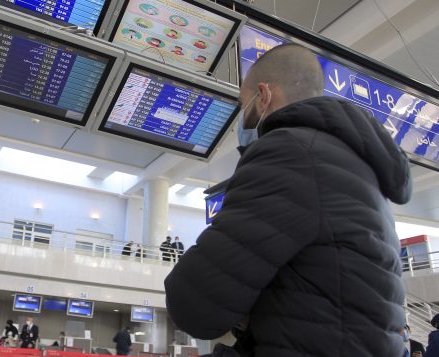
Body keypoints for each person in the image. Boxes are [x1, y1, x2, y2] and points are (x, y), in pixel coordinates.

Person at [164, 44, 412, 356]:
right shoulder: (359, 169)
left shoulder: (290, 151)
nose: (242, 120)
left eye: (244, 105)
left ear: (263, 95)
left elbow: (195, 304)